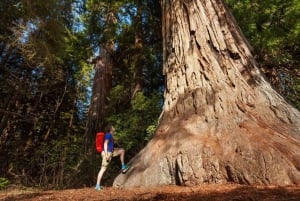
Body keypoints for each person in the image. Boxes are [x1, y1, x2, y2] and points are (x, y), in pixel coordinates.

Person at [95, 125, 129, 191]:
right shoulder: (108, 135)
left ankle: (123, 166)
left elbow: (110, 145)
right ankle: (97, 185)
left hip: (111, 152)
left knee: (122, 151)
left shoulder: (110, 135)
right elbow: (105, 143)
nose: (114, 128)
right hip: (107, 153)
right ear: (110, 129)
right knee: (103, 169)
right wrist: (106, 154)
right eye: (113, 127)